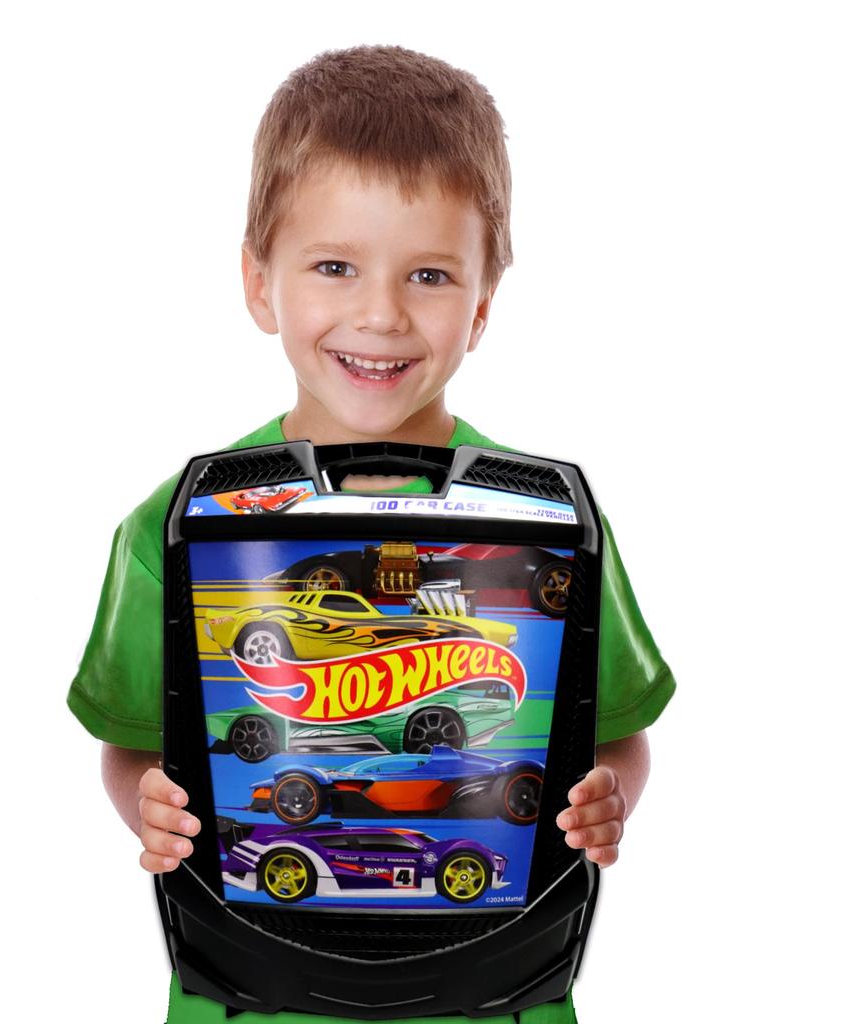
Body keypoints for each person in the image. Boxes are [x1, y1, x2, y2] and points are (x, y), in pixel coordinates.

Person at [68, 44, 675, 1024]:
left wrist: (608, 795)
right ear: (259, 280)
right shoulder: (179, 523)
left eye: (428, 274)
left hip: (494, 986)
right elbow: (134, 740)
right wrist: (150, 799)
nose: (381, 314)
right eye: (334, 266)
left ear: (481, 304)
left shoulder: (548, 522)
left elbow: (617, 733)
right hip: (254, 990)